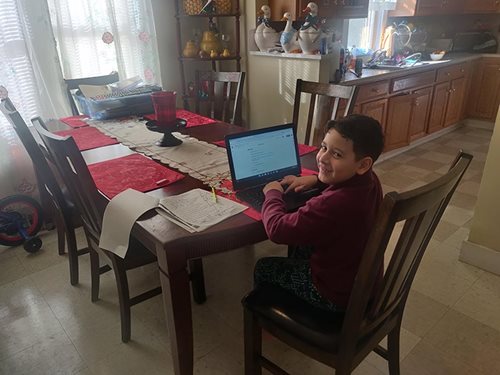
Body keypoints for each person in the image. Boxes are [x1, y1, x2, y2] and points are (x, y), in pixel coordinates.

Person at [254, 114, 385, 312]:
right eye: (324, 147)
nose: (322, 158)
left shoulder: (334, 203)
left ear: (363, 164)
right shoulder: (370, 179)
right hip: (359, 278)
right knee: (302, 244)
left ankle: (278, 321)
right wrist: (317, 180)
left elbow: (276, 229)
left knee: (264, 267)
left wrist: (272, 192)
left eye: (337, 154)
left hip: (335, 293)